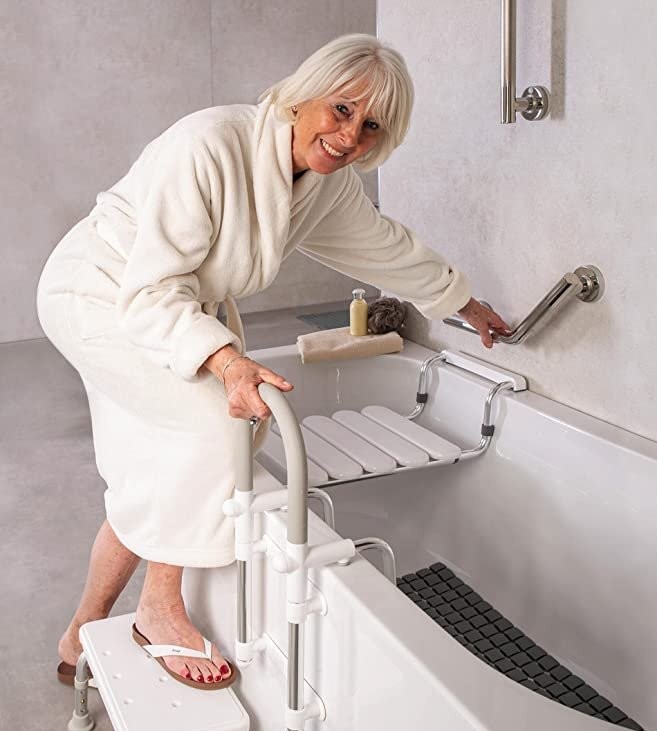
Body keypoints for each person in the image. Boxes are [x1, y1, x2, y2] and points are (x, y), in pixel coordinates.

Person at [37, 33, 510, 691]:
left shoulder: (324, 184)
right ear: (304, 93)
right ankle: (157, 609)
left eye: (371, 125)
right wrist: (228, 362)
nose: (349, 137)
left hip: (173, 304)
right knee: (220, 426)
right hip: (103, 293)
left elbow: (385, 246)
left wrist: (464, 302)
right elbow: (150, 290)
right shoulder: (207, 145)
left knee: (157, 468)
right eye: (341, 109)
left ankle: (79, 634)